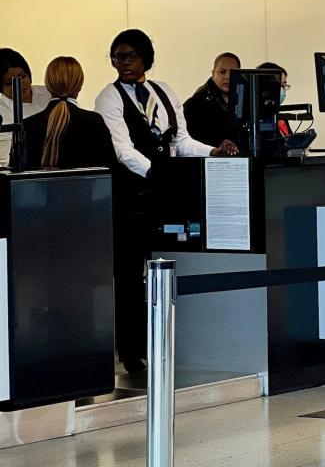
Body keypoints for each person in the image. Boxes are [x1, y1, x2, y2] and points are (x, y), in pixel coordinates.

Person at [95, 29, 238, 372]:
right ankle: (131, 352)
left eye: (129, 56)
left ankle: (165, 341)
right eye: (117, 57)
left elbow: (182, 141)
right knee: (130, 277)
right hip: (132, 196)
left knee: (168, 268)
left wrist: (213, 151)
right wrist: (158, 174)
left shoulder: (164, 92)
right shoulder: (109, 97)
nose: (122, 63)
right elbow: (123, 150)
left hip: (165, 194)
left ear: (145, 57)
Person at [24, 57, 116, 170]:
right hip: (86, 188)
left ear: (48, 85)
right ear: (80, 85)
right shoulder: (93, 122)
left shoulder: (28, 126)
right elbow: (111, 171)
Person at [0, 48, 51, 168]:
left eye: (22, 76)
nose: (20, 84)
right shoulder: (1, 109)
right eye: (9, 82)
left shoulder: (48, 94)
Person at [184, 52, 242, 147]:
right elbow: (188, 141)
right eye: (222, 72)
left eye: (233, 73)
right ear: (213, 73)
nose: (227, 77)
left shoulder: (247, 100)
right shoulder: (196, 104)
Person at [257, 62, 291, 136]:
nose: (283, 90)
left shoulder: (281, 119)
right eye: (279, 85)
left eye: (284, 85)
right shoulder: (253, 119)